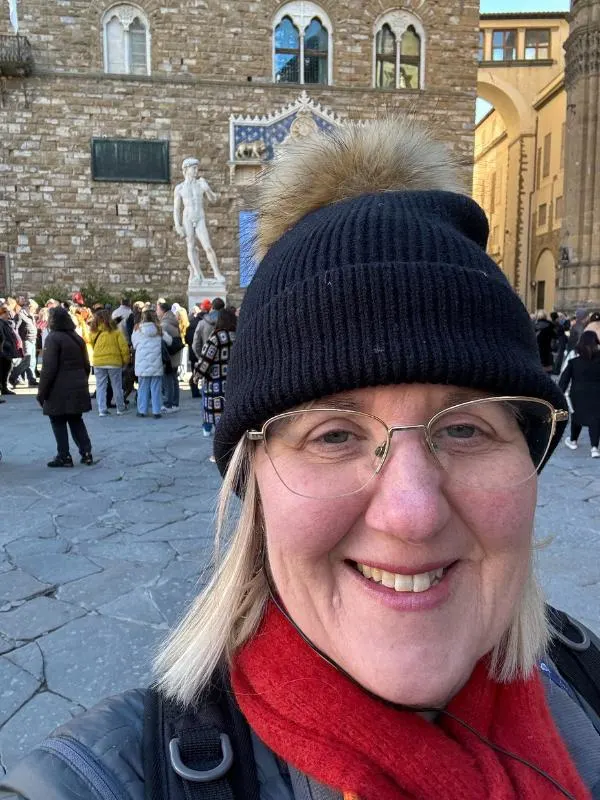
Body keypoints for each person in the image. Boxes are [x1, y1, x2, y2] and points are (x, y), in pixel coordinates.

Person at [3, 120, 599, 800]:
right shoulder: (95, 783)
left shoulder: (589, 689)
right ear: (252, 480)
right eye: (333, 436)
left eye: (464, 429)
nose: (412, 512)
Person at [36, 305, 93, 467]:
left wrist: (42, 392)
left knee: (58, 420)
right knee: (76, 419)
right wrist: (82, 380)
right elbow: (86, 364)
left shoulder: (53, 338)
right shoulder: (76, 337)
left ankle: (64, 455)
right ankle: (86, 452)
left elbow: (49, 369)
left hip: (58, 389)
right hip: (77, 385)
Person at [173, 157, 224, 282]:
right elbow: (176, 209)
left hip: (199, 217)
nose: (196, 171)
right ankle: (197, 273)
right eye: (194, 168)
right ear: (186, 169)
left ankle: (217, 273)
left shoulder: (201, 183)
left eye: (197, 168)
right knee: (191, 246)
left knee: (207, 246)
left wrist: (208, 190)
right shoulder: (179, 188)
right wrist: (177, 225)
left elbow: (213, 200)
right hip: (187, 218)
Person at [193, 307, 236, 443]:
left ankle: (220, 445)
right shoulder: (237, 336)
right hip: (233, 382)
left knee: (217, 414)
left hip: (216, 382)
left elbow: (206, 359)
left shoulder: (216, 337)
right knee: (229, 414)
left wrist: (196, 375)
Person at [559, 330, 600, 458]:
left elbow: (563, 380)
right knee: (595, 419)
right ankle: (594, 448)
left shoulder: (574, 361)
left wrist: (559, 396)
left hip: (577, 393)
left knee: (576, 417)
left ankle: (573, 441)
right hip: (597, 393)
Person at [89, 309, 130, 417]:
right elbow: (123, 347)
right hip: (114, 362)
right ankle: (120, 408)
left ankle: (102, 409)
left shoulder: (94, 332)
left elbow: (93, 345)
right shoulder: (116, 332)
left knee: (100, 386)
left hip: (98, 362)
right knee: (117, 385)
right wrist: (126, 361)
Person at [131, 309, 172, 418]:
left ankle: (142, 410)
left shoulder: (137, 329)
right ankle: (156, 411)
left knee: (142, 387)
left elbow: (134, 345)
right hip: (156, 363)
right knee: (156, 388)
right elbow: (170, 341)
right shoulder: (159, 329)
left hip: (142, 363)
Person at [156, 301, 183, 413]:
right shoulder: (172, 320)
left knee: (168, 381)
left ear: (162, 310)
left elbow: (163, 341)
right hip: (175, 356)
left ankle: (168, 404)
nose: (157, 312)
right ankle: (175, 403)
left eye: (157, 309)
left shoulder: (165, 324)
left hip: (169, 357)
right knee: (173, 379)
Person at [0, 304, 19, 396]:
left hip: (7, 351)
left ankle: (4, 388)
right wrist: (7, 347)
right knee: (3, 370)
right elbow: (2, 337)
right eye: (7, 313)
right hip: (4, 351)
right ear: (2, 314)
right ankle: (3, 388)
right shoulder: (1, 323)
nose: (9, 315)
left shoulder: (6, 323)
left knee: (7, 369)